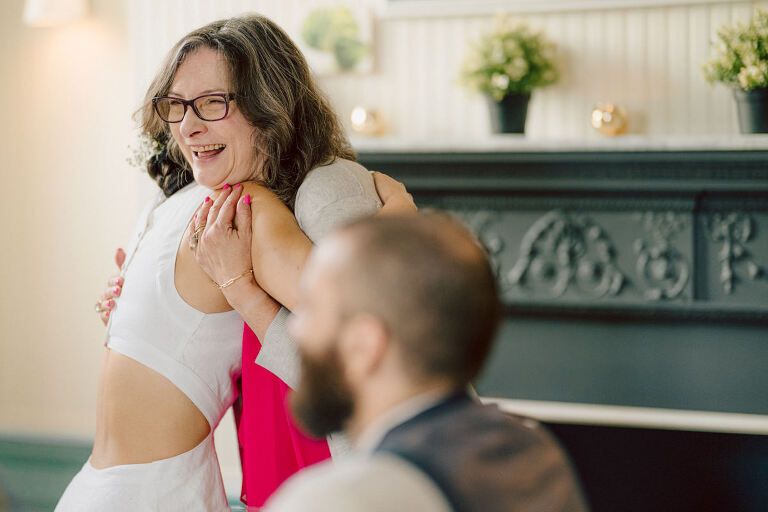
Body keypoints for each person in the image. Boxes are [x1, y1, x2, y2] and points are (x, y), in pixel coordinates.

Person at [58, 14, 414, 511]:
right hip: (123, 491)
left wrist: (399, 217)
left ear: (270, 107)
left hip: (131, 492)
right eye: (176, 105)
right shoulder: (206, 202)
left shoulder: (225, 210)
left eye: (212, 102)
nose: (188, 125)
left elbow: (355, 319)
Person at [247, 213, 588, 512]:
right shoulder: (535, 453)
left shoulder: (336, 501)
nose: (297, 328)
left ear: (363, 347)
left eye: (310, 309)